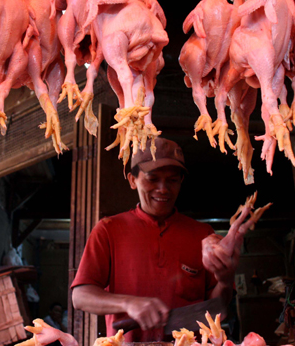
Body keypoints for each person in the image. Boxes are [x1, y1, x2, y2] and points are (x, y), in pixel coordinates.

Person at [71, 138, 240, 342]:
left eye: (172, 180)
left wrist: (225, 279)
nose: (163, 189)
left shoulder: (202, 234)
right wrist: (128, 303)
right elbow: (80, 296)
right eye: (152, 179)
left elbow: (217, 308)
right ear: (132, 180)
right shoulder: (108, 229)